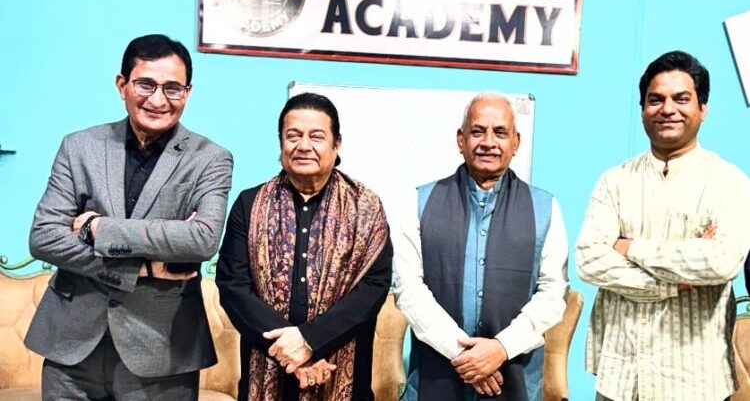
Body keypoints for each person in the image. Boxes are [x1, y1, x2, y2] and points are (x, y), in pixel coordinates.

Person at [25, 34, 233, 400]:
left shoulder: (210, 158)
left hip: (162, 352)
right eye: (145, 84)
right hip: (70, 349)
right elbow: (44, 237)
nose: (158, 100)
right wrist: (140, 269)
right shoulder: (79, 147)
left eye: (172, 88)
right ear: (122, 85)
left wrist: (98, 227)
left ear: (188, 92)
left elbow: (202, 239)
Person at [576, 50, 750, 401]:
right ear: (642, 109)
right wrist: (675, 283)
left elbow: (721, 261)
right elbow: (589, 261)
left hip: (696, 381)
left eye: (681, 99)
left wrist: (629, 247)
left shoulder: (729, 182)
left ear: (703, 108)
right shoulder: (614, 181)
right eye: (655, 100)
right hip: (621, 379)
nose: (667, 109)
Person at [216, 92, 393, 401]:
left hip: (340, 374)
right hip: (266, 370)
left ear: (337, 144)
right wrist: (292, 352)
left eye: (316, 136)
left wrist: (310, 341)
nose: (303, 146)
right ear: (281, 142)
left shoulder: (366, 208)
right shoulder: (250, 204)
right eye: (293, 136)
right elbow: (233, 287)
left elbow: (372, 289)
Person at [393, 92, 569, 401]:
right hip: (436, 377)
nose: (488, 142)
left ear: (515, 142)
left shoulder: (545, 208)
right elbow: (408, 289)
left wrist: (501, 348)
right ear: (460, 140)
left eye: (500, 132)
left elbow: (553, 293)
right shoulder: (420, 202)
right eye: (478, 131)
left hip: (513, 379)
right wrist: (464, 355)